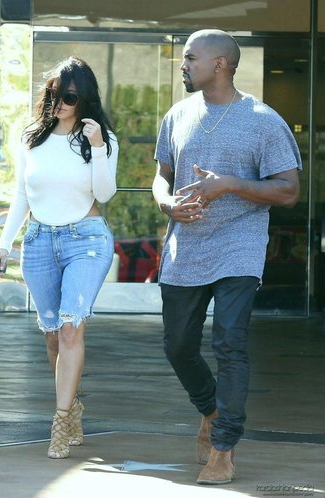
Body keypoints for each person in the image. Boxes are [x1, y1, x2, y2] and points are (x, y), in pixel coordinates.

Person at [152, 29, 301, 485]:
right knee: (178, 346)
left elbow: (289, 190)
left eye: (190, 58)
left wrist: (229, 184)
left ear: (220, 64)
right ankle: (211, 409)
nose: (183, 65)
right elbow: (161, 177)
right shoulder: (177, 115)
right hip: (186, 247)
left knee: (229, 344)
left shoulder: (263, 121)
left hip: (240, 245)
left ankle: (223, 449)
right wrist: (167, 204)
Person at [0, 56, 118, 459]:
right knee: (51, 335)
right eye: (53, 94)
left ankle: (61, 422)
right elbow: (22, 196)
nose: (59, 103)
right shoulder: (32, 137)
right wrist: (3, 244)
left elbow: (105, 193)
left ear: (85, 98)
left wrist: (98, 148)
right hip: (40, 241)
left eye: (69, 97)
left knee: (70, 329)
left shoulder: (101, 139)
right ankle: (72, 402)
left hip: (87, 240)